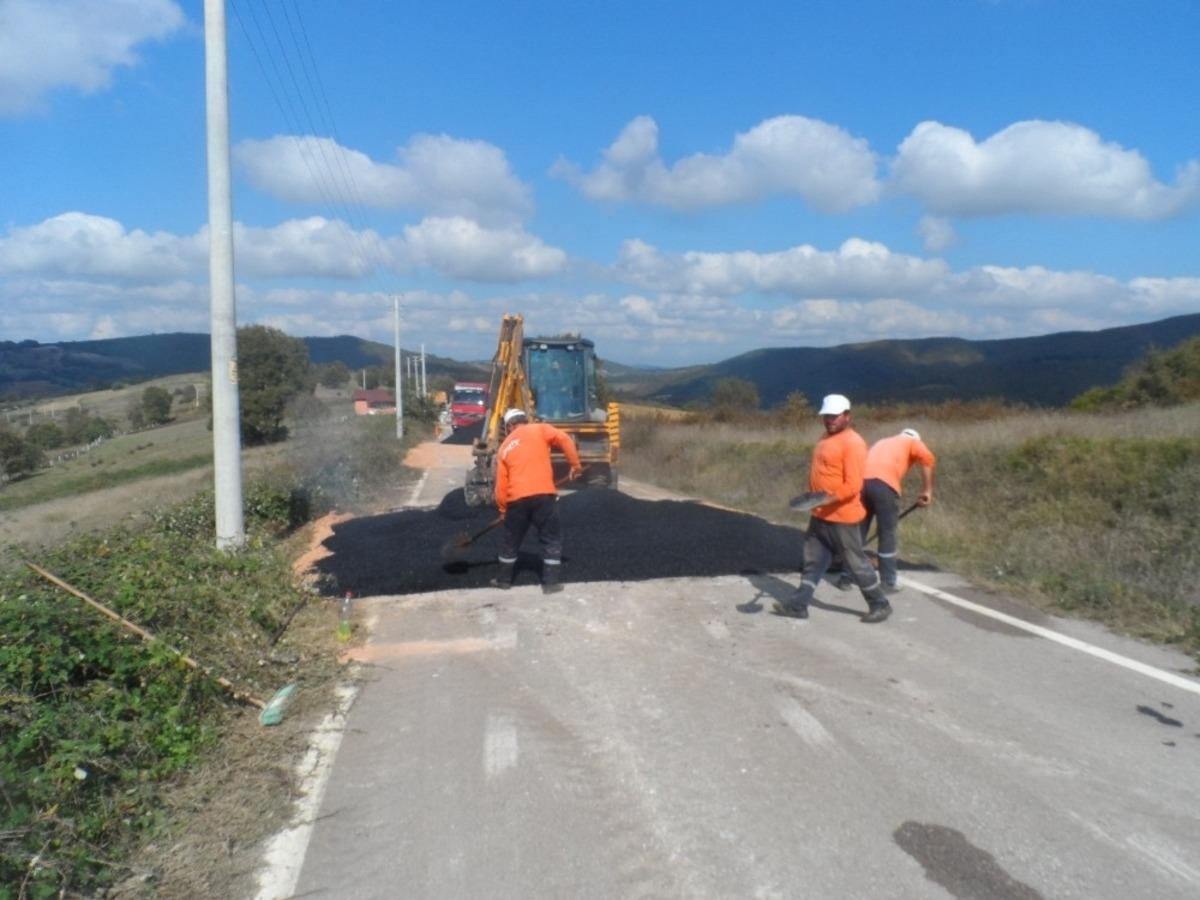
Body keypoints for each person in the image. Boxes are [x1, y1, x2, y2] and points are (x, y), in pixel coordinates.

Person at [773, 394, 892, 623]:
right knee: (813, 560)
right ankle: (799, 605)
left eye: (835, 416)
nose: (830, 420)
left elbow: (853, 485)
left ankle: (880, 603)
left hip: (842, 517)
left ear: (848, 416)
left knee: (855, 562)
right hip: (820, 515)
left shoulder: (853, 443)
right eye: (827, 416)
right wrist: (813, 499)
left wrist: (824, 500)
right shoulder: (825, 437)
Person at [491, 408, 583, 593]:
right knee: (551, 538)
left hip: (516, 499)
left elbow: (501, 486)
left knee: (511, 539)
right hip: (544, 495)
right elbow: (565, 439)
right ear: (525, 420)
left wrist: (503, 510)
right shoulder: (540, 429)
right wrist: (575, 465)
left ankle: (503, 581)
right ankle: (550, 584)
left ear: (509, 426)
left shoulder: (504, 448)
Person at [839, 428, 936, 593]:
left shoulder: (882, 441)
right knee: (887, 534)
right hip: (884, 486)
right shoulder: (912, 442)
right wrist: (927, 490)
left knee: (859, 531)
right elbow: (928, 459)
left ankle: (846, 577)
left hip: (861, 484)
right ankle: (888, 582)